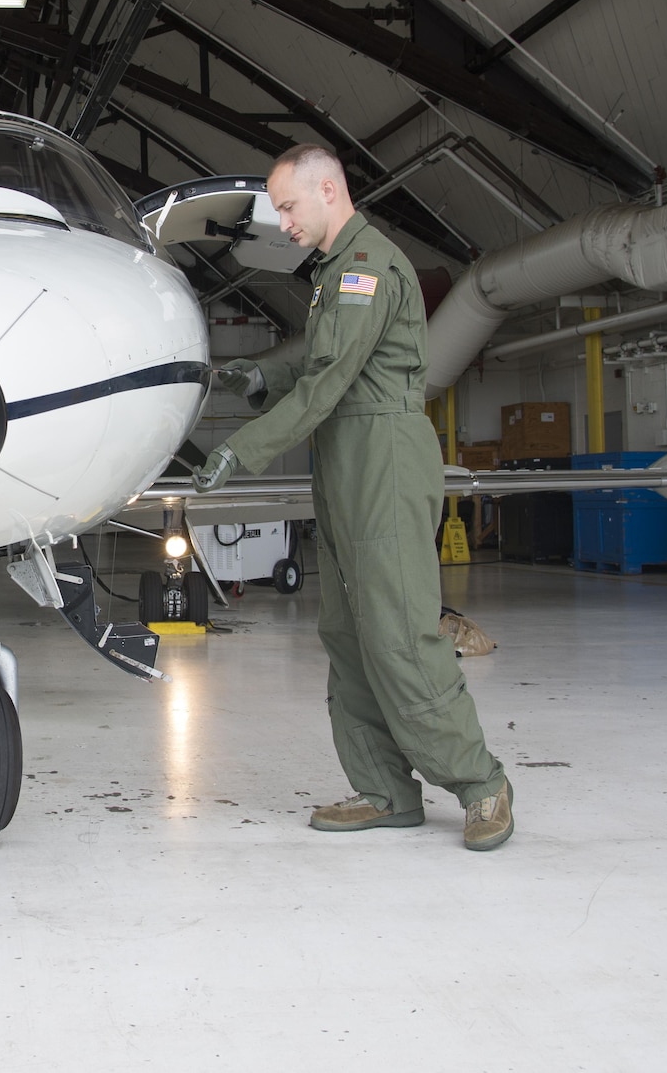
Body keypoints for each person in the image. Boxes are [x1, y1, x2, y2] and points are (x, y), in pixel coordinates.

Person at [192, 144, 513, 852]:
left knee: (399, 633)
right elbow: (318, 358)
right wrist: (262, 376)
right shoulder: (335, 273)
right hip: (342, 462)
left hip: (384, 461)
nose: (283, 223)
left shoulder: (368, 264)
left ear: (329, 189)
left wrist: (243, 447)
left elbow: (333, 376)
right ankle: (386, 790)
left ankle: (481, 783)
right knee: (347, 635)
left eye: (288, 206)